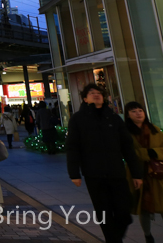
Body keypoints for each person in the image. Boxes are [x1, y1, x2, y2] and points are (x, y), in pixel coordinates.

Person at [66, 84, 143, 243]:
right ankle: (113, 240)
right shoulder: (78, 119)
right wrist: (74, 173)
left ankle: (114, 238)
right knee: (104, 212)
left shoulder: (114, 118)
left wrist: (136, 173)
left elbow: (127, 147)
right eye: (91, 93)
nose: (96, 95)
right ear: (85, 98)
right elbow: (73, 147)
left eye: (99, 93)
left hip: (116, 171)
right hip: (93, 173)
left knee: (124, 212)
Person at [124, 102, 163, 243]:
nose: (138, 113)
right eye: (134, 111)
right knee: (144, 208)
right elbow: (127, 153)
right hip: (138, 174)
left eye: (140, 110)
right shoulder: (125, 133)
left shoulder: (154, 129)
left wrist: (153, 152)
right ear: (128, 115)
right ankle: (148, 236)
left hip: (159, 175)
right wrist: (146, 153)